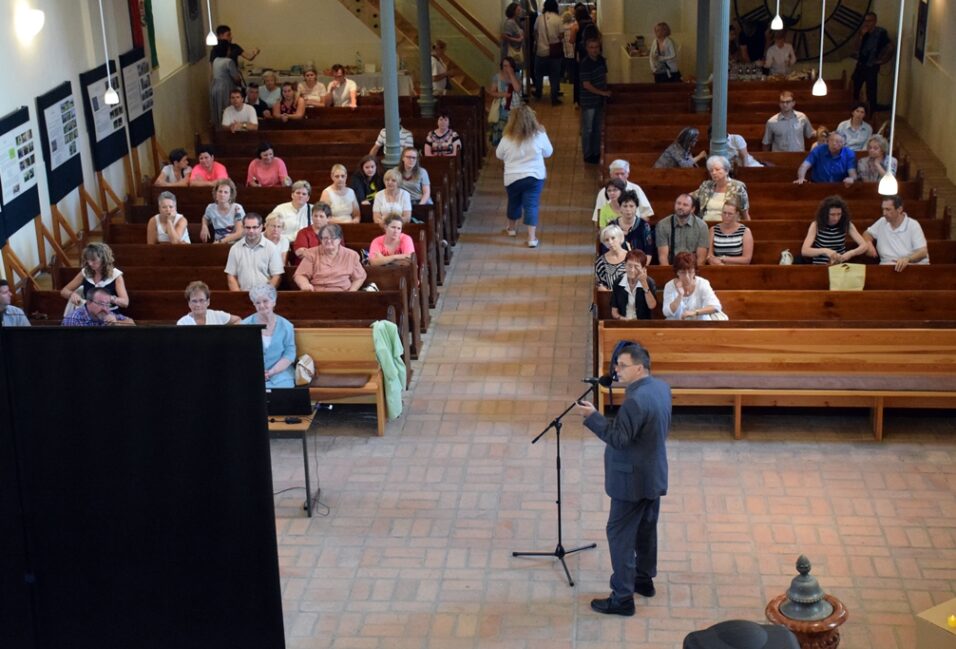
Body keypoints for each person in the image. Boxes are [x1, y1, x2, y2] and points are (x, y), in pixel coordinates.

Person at [574, 343, 671, 617]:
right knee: (646, 528)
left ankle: (622, 597)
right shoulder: (661, 388)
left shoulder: (635, 402)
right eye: (616, 364)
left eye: (622, 365)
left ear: (639, 368)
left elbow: (618, 439)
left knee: (620, 536)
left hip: (632, 481)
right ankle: (644, 579)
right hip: (653, 473)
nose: (616, 370)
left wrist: (593, 417)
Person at [495, 104, 553, 248]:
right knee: (531, 205)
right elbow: (548, 152)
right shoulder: (539, 135)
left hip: (512, 177)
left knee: (514, 201)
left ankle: (511, 229)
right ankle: (531, 238)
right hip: (534, 177)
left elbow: (499, 155)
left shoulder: (507, 138)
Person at [241, 284, 296, 389]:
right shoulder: (244, 325)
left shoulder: (286, 326)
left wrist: (272, 372)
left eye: (265, 301)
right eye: (257, 302)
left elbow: (289, 354)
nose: (261, 305)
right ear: (254, 304)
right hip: (251, 374)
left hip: (280, 375)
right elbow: (241, 354)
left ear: (273, 302)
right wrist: (255, 372)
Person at [293, 224, 367, 292]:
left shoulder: (351, 255)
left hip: (343, 294)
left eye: (333, 238)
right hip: (317, 294)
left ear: (339, 239)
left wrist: (352, 291)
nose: (328, 241)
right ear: (321, 239)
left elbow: (360, 277)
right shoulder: (311, 253)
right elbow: (300, 275)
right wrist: (304, 285)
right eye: (325, 238)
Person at [864, 195, 929, 271]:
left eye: (888, 209)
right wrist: (868, 242)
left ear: (899, 209)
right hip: (887, 268)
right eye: (883, 209)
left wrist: (907, 259)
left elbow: (923, 252)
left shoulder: (913, 225)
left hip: (910, 268)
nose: (884, 213)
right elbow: (867, 234)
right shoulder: (882, 221)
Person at [800, 195, 869, 265]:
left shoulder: (847, 224)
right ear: (825, 214)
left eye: (839, 214)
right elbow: (805, 251)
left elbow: (864, 246)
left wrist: (851, 253)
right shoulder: (816, 225)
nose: (836, 218)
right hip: (820, 265)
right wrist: (825, 251)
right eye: (832, 214)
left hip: (839, 264)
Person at [60, 242, 129, 311]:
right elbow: (64, 291)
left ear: (103, 259)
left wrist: (109, 298)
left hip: (108, 313)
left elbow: (125, 302)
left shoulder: (116, 275)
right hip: (88, 312)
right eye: (88, 260)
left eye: (93, 260)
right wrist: (72, 294)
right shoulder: (85, 272)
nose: (90, 263)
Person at [224, 213, 284, 291]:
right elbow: (231, 276)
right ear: (243, 228)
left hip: (265, 297)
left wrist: (265, 295)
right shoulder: (235, 248)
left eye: (255, 227)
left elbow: (277, 276)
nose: (251, 231)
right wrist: (238, 296)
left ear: (261, 227)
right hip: (242, 294)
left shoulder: (272, 248)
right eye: (248, 228)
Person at [852, 12, 893, 115]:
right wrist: (861, 35)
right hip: (861, 64)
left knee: (871, 89)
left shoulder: (880, 33)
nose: (867, 23)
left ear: (874, 21)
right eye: (865, 21)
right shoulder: (862, 32)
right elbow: (856, 48)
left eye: (869, 21)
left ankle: (872, 112)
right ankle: (855, 110)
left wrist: (883, 60)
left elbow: (890, 47)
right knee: (855, 86)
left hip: (872, 66)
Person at [662, 252, 723, 320]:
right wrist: (679, 296)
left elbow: (716, 307)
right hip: (677, 326)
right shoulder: (669, 286)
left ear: (695, 271)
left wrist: (695, 312)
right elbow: (666, 312)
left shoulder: (703, 283)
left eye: (690, 272)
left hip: (700, 325)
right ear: (677, 272)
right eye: (683, 272)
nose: (687, 277)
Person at [579, 37, 611, 164]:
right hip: (589, 101)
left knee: (598, 128)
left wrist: (605, 90)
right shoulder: (585, 63)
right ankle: (587, 154)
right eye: (591, 47)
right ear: (587, 49)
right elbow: (586, 84)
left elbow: (604, 77)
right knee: (588, 129)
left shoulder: (601, 60)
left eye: (596, 47)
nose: (594, 50)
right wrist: (602, 92)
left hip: (599, 100)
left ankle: (597, 153)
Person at [655, 193, 710, 266]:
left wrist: (693, 274)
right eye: (678, 203)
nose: (680, 207)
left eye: (685, 205)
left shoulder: (702, 226)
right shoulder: (662, 225)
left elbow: (701, 258)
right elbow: (663, 257)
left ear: (692, 209)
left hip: (692, 269)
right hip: (672, 267)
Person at [692, 156, 751, 222]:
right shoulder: (706, 186)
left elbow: (745, 213)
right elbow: (689, 197)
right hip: (705, 225)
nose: (714, 173)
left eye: (717, 169)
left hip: (728, 226)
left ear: (726, 171)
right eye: (711, 170)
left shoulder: (738, 187)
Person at [605, 191, 655, 259]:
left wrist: (639, 268)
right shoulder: (611, 226)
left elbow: (648, 253)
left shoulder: (644, 226)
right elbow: (606, 251)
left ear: (636, 208)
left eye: (631, 206)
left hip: (638, 266)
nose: (628, 209)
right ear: (620, 208)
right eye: (625, 206)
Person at [610, 250, 657, 321]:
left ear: (643, 268)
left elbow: (652, 306)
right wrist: (623, 319)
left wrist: (644, 283)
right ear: (625, 265)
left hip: (642, 325)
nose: (632, 270)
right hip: (623, 323)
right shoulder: (618, 282)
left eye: (636, 267)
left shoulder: (649, 282)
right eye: (629, 265)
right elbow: (614, 311)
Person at [533, 0, 564, 105]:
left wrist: (540, 41)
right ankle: (554, 98)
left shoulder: (539, 18)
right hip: (554, 52)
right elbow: (561, 35)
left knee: (538, 74)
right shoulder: (558, 19)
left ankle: (538, 93)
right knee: (554, 76)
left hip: (541, 51)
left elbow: (535, 32)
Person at [488, 56, 523, 147]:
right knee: (503, 135)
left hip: (515, 110)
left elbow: (517, 89)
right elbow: (492, 92)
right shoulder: (497, 77)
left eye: (509, 66)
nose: (506, 68)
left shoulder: (517, 75)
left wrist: (511, 75)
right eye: (504, 66)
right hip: (502, 110)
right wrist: (503, 94)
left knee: (515, 134)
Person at [707, 201, 754, 265]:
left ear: (737, 214)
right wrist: (715, 261)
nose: (726, 216)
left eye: (730, 214)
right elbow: (709, 255)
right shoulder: (713, 230)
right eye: (724, 213)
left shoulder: (745, 231)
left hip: (738, 269)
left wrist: (724, 259)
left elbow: (747, 259)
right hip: (717, 267)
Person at [62, 286, 135, 326]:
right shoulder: (74, 319)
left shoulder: (107, 313)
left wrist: (117, 323)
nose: (105, 309)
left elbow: (132, 323)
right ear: (88, 302)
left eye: (107, 304)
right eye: (101, 304)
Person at [201, 178, 245, 244]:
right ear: (216, 194)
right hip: (218, 245)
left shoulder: (237, 208)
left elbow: (239, 233)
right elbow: (205, 218)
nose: (222, 194)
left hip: (235, 244)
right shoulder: (210, 208)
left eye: (226, 192)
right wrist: (204, 226)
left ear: (230, 195)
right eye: (220, 191)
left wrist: (221, 241)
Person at [209, 43, 241, 127]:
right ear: (226, 50)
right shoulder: (229, 61)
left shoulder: (215, 60)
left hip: (215, 86)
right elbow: (236, 78)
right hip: (225, 87)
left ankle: (218, 128)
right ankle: (227, 128)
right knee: (226, 108)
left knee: (217, 109)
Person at [595, 224, 628, 290]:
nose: (610, 242)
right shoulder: (600, 262)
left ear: (620, 238)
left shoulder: (632, 257)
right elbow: (599, 284)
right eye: (607, 240)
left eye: (613, 238)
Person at [500, 3, 526, 71]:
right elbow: (505, 37)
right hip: (511, 55)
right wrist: (519, 39)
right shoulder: (510, 23)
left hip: (514, 54)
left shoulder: (514, 21)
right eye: (518, 10)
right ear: (513, 11)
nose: (520, 12)